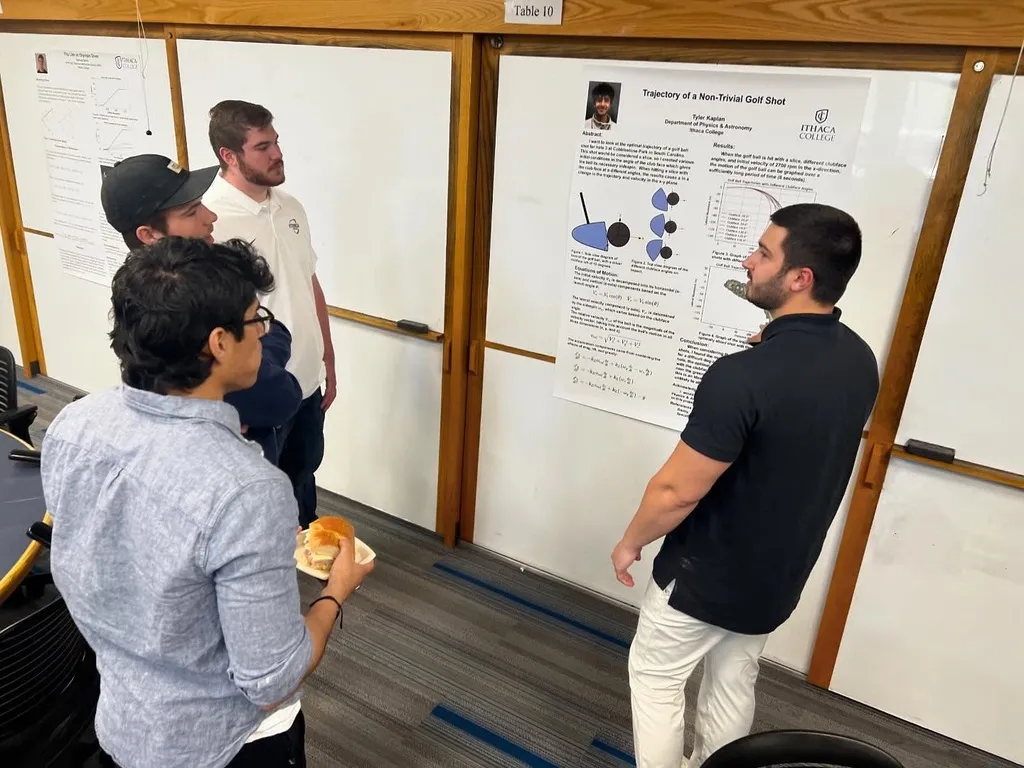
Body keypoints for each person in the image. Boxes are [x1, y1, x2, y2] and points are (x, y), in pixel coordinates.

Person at [41, 236, 374, 768]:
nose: (264, 332)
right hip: (223, 746)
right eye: (256, 319)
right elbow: (271, 680)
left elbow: (131, 551)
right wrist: (336, 590)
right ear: (219, 344)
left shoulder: (73, 425)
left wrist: (248, 550)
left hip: (119, 720)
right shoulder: (248, 490)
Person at [611, 203, 879, 768]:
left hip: (705, 576)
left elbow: (676, 492)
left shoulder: (741, 376)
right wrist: (775, 347)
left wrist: (631, 542)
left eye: (762, 253)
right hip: (777, 576)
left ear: (800, 278)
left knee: (656, 678)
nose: (747, 262)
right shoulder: (859, 359)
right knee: (733, 680)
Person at [99, 153, 302, 464]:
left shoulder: (131, 289)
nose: (211, 216)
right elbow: (277, 396)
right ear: (148, 234)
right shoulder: (192, 304)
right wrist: (274, 336)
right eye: (192, 211)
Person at [201, 100, 336, 527]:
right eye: (262, 147)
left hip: (307, 381)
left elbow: (308, 281)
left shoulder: (290, 206)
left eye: (276, 142)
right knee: (263, 502)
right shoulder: (211, 220)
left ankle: (306, 552)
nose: (277, 154)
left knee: (303, 479)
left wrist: (327, 357)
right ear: (229, 155)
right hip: (259, 388)